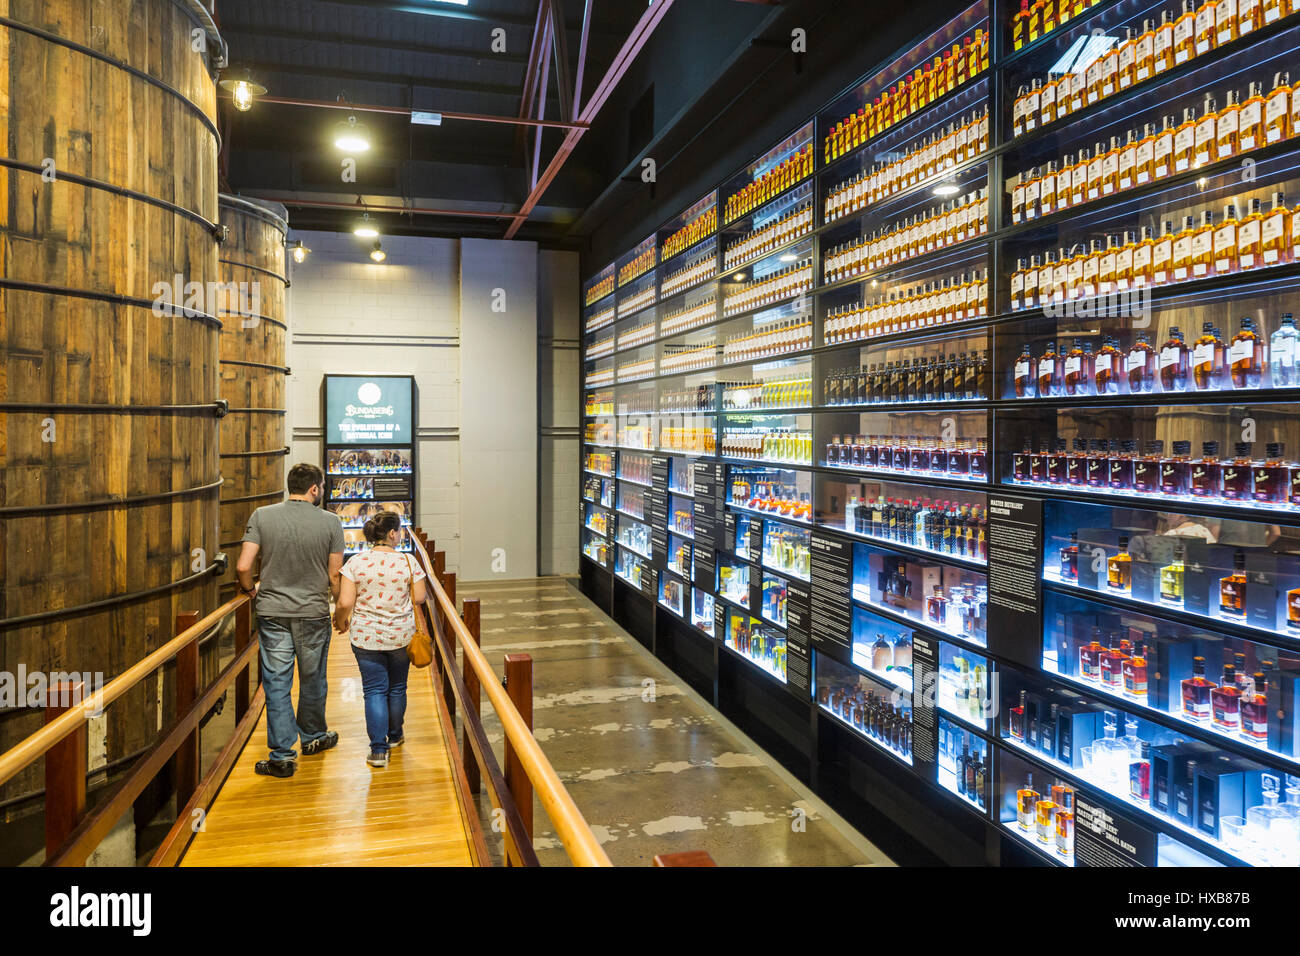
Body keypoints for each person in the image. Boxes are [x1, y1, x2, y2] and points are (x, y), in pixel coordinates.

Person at [236, 463, 345, 777]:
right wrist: (340, 612)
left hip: (272, 613)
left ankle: (282, 756)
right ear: (314, 489)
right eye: (321, 488)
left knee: (277, 683)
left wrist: (250, 591)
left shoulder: (262, 516)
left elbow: (244, 566)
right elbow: (334, 575)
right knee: (313, 679)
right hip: (312, 613)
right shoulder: (331, 522)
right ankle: (312, 737)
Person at [332, 511, 426, 768]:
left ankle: (378, 750)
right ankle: (395, 736)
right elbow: (419, 597)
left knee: (374, 690)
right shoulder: (408, 562)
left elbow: (345, 602)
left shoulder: (356, 562)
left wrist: (340, 620)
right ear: (393, 533)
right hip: (400, 635)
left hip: (366, 636)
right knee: (397, 688)